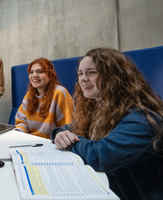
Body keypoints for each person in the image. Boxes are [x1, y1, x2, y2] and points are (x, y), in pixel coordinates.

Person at [51, 47, 163, 199]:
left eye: (91, 72)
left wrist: (70, 142)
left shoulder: (142, 119)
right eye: (81, 73)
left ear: (114, 76)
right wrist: (58, 133)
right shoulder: (97, 108)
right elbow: (67, 129)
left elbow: (100, 156)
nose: (83, 79)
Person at [14, 57, 74, 139]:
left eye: (40, 71)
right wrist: (18, 133)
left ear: (50, 75)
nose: (34, 75)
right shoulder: (29, 95)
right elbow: (22, 122)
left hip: (54, 143)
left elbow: (67, 127)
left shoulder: (59, 93)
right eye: (31, 72)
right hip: (31, 142)